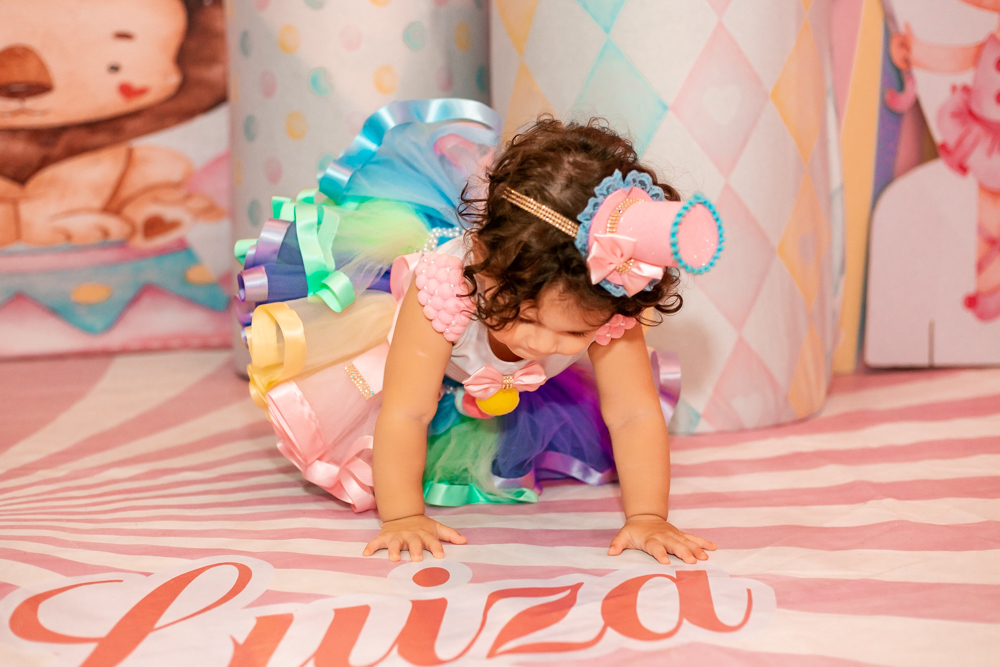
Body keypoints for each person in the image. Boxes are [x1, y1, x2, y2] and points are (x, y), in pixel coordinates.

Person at [234, 100, 724, 566]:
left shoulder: (606, 303)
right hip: (415, 367)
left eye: (572, 333)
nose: (540, 345)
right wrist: (403, 517)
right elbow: (407, 411)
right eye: (526, 318)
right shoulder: (445, 291)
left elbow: (634, 413)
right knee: (405, 408)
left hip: (504, 383)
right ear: (484, 265)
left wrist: (648, 518)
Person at [891, 6, 1000, 321]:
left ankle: (987, 288)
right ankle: (985, 290)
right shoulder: (992, 39)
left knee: (988, 210)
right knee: (981, 212)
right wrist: (916, 53)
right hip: (980, 131)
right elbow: (960, 59)